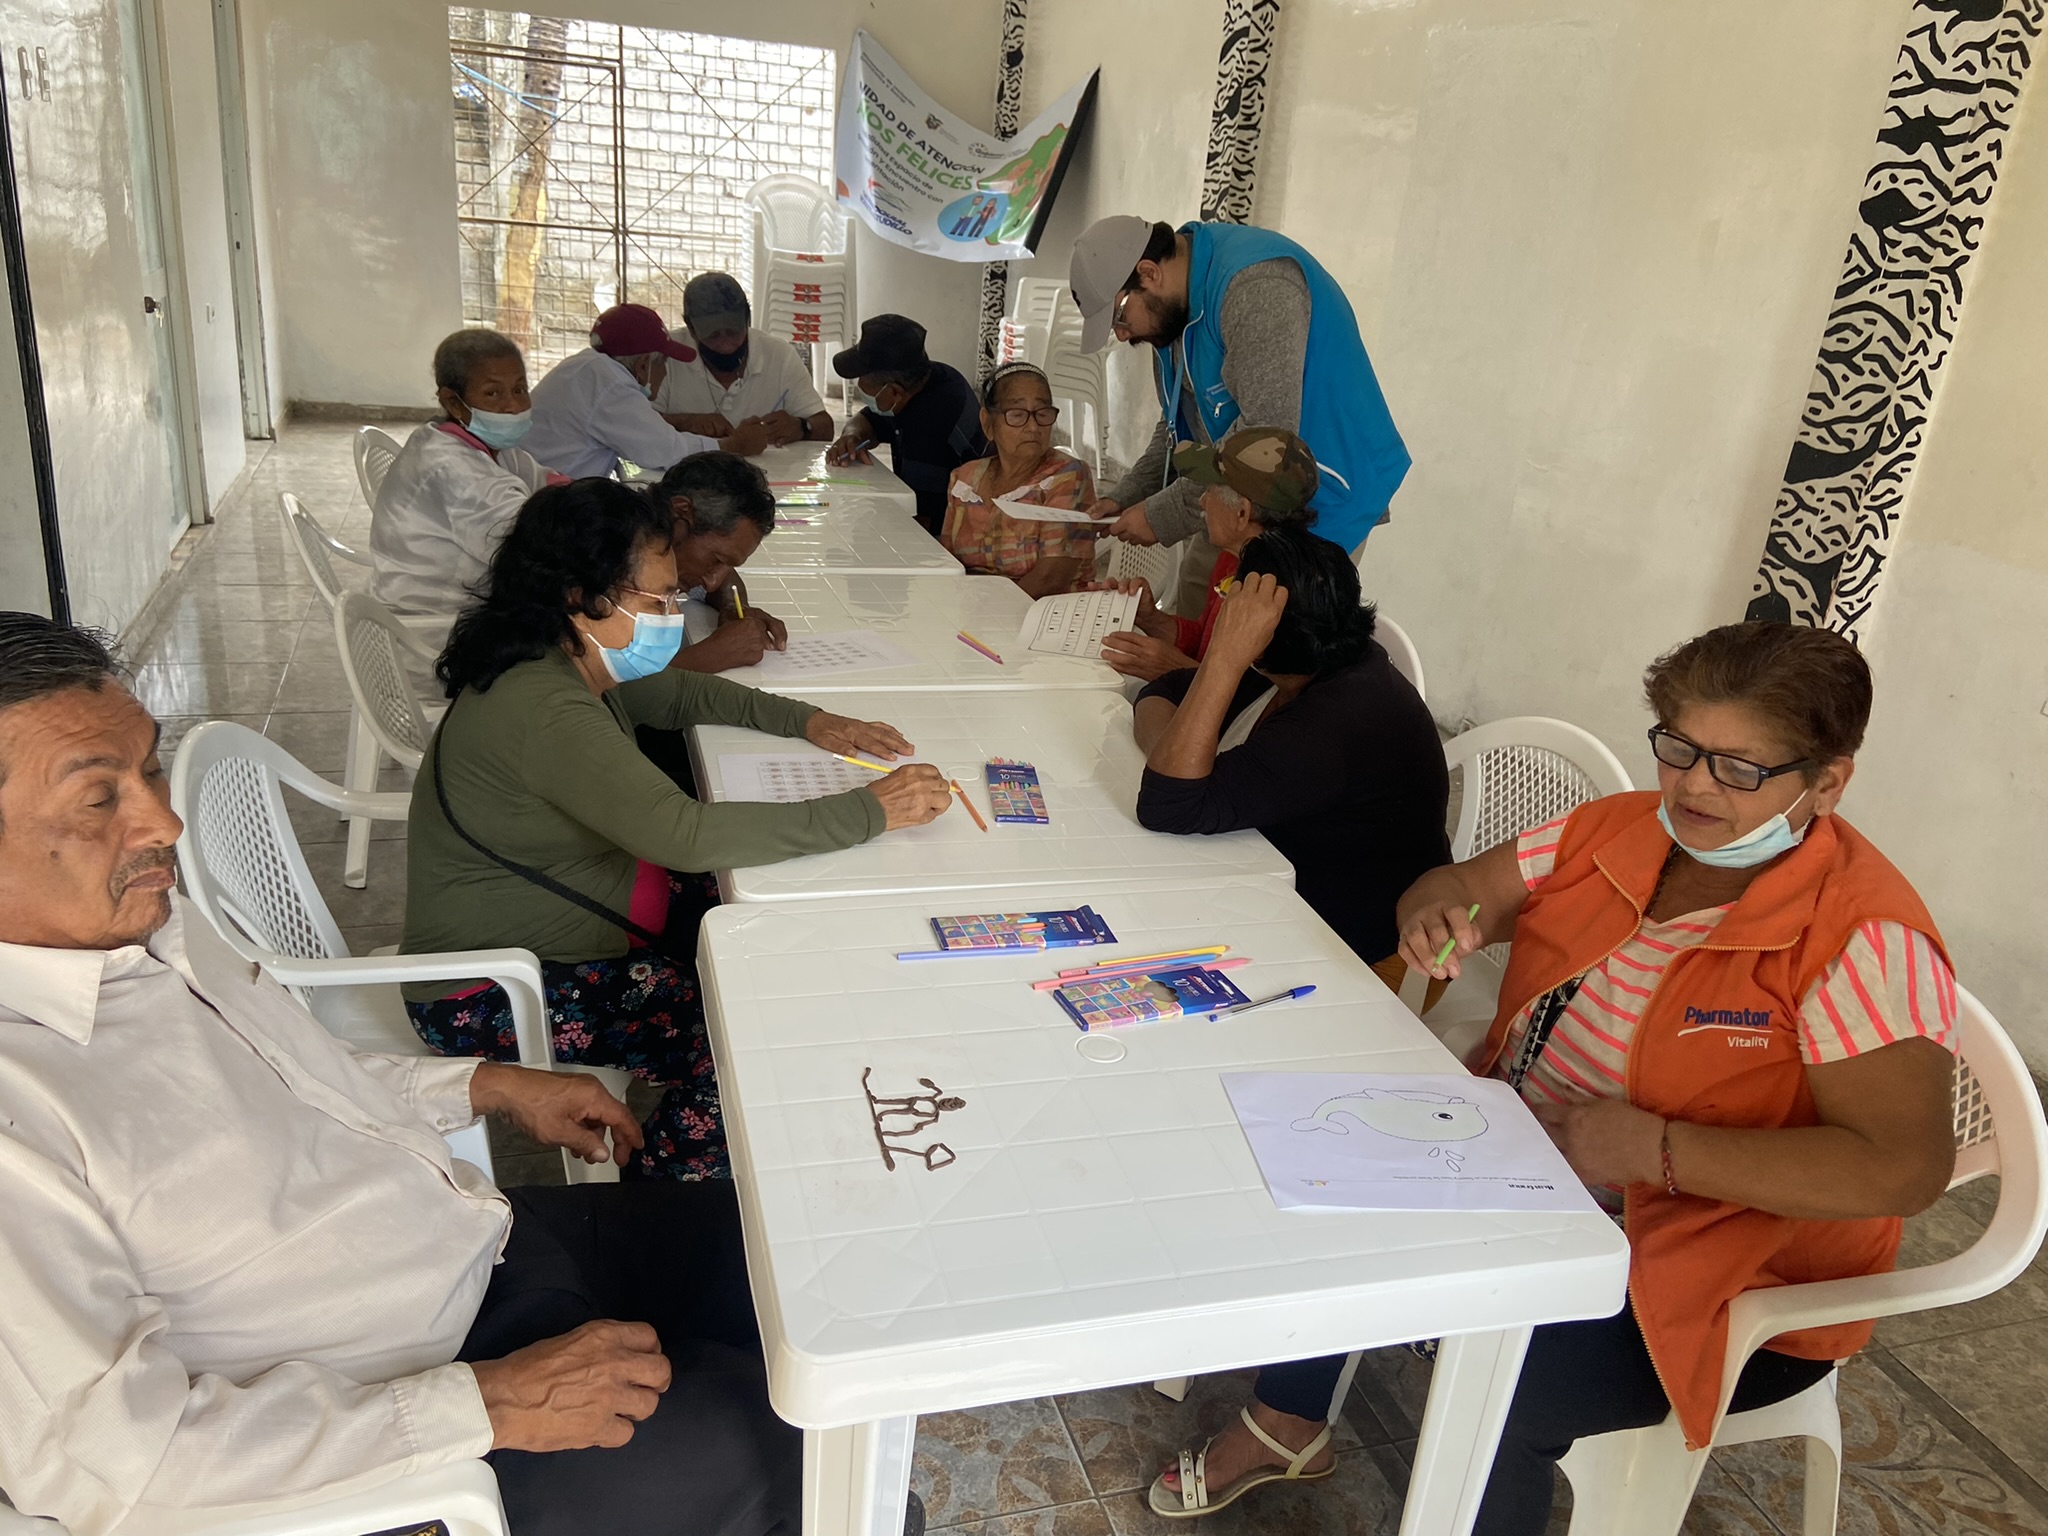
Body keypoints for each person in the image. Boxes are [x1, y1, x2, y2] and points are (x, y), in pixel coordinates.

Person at [0, 612, 800, 1536]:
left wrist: (487, 1086)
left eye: (147, 770)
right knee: (798, 1463)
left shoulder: (153, 935)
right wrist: (488, 1403)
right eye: (98, 799)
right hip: (415, 1407)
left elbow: (304, 1076)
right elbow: (109, 1466)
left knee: (784, 1260)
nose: (163, 823)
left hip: (488, 1243)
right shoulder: (21, 1116)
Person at [1148, 622, 1960, 1532]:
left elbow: (1902, 1167)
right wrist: (1435, 916)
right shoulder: (1615, 833)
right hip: (1530, 1165)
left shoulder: (1860, 937)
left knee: (1504, 1386)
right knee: (1332, 1182)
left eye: (1740, 768)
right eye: (1680, 747)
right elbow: (1455, 886)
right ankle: (1288, 1425)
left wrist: (1659, 1151)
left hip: (1720, 1270)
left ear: (1828, 782)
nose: (1695, 786)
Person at [402, 479, 953, 1179]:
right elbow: (684, 836)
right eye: (657, 601)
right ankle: (665, 1187)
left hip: (576, 916)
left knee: (781, 939)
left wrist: (810, 721)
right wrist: (873, 809)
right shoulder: (541, 705)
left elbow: (683, 692)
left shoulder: (560, 656)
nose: (672, 616)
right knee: (743, 1031)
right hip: (491, 990)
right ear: (582, 595)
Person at [1132, 525, 1448, 981]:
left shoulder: (1334, 722)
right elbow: (1162, 691)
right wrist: (1175, 752)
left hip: (1363, 955)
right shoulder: (1305, 662)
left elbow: (1166, 806)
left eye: (1233, 599)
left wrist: (1224, 655)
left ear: (1264, 629)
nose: (1227, 608)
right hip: (1279, 886)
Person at [1067, 215, 1409, 615]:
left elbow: (1267, 436)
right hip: (1234, 491)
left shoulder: (1255, 287)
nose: (1122, 335)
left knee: (1265, 634)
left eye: (1119, 318)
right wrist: (1125, 496)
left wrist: (1160, 515)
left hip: (1318, 494)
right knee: (1196, 600)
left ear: (1149, 273)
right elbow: (1177, 426)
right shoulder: (1172, 313)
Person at [368, 328, 568, 640]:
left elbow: (546, 482)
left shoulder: (479, 444)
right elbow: (531, 548)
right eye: (493, 394)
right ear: (454, 402)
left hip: (459, 607)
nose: (513, 406)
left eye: (519, 389)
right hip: (437, 630)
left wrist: (588, 498)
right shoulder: (455, 470)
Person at [1097, 425, 1320, 683]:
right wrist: (1150, 618)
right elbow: (1204, 641)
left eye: (1211, 489)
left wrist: (1173, 668)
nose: (1202, 500)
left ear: (1242, 513)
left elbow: (1264, 698)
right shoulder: (1233, 558)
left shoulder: (1280, 593)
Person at [527, 303, 767, 480]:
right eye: (664, 364)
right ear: (643, 366)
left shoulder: (588, 368)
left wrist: (685, 422)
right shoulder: (612, 384)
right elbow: (665, 451)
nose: (665, 372)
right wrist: (735, 445)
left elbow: (636, 427)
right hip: (546, 504)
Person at [939, 361, 1099, 597]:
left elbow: (1051, 579)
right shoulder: (964, 480)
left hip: (1044, 609)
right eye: (1017, 415)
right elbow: (947, 560)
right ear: (987, 423)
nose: (1033, 427)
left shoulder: (1068, 475)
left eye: (1043, 414)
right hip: (973, 604)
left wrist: (988, 613)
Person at [825, 314, 990, 534]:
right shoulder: (923, 378)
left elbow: (919, 522)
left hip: (959, 529)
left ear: (894, 392)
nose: (859, 386)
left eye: (861, 380)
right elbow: (868, 420)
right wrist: (851, 436)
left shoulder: (931, 425)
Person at [648, 450, 790, 676]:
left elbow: (726, 580)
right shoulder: (602, 560)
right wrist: (711, 655)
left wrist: (732, 607)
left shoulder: (663, 541)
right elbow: (603, 686)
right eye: (716, 560)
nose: (711, 582)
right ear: (681, 512)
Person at [654, 272, 833, 448]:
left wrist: (802, 427)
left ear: (748, 319)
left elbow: (825, 427)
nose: (726, 345)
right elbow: (639, 427)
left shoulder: (779, 355)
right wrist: (685, 422)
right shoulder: (666, 355)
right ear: (691, 328)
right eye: (713, 335)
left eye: (733, 332)